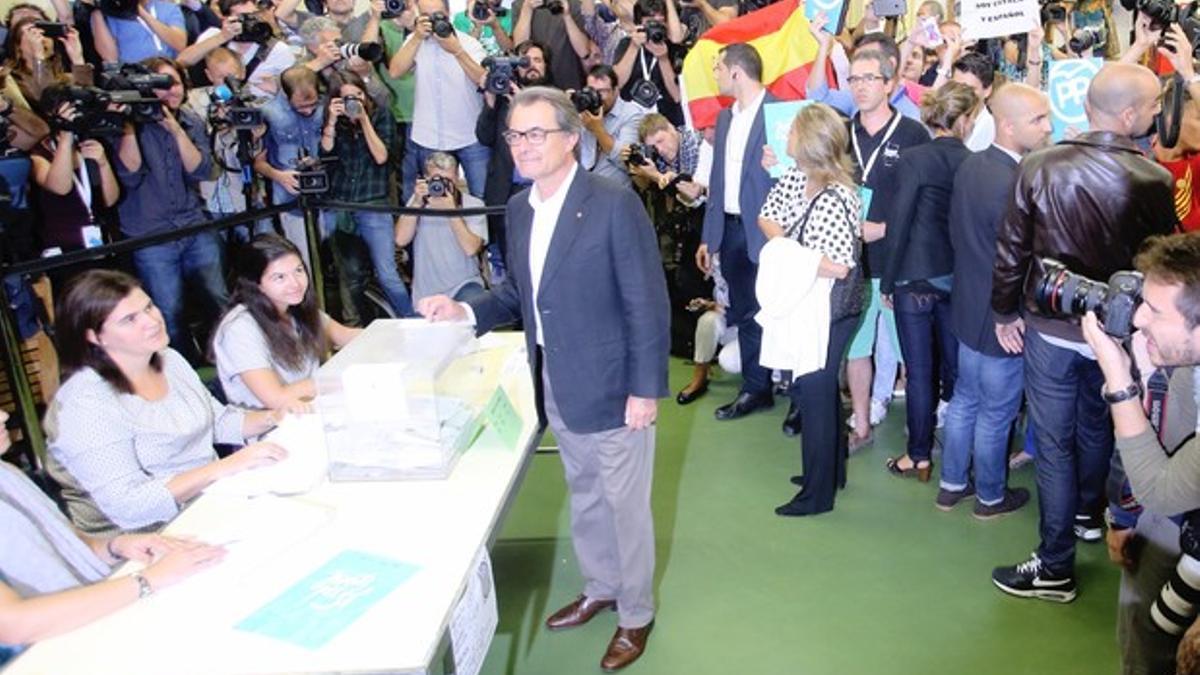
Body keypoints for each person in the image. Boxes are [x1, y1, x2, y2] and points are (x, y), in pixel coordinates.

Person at [418, 86, 668, 672]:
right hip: (557, 377)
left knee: (625, 507)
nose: (522, 146)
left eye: (535, 133)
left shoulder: (612, 203)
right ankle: (600, 585)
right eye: (514, 134)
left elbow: (646, 303)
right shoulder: (520, 208)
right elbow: (519, 291)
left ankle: (635, 614)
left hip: (614, 383)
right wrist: (467, 310)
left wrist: (643, 389)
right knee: (584, 494)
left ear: (570, 139)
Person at [991, 62, 1179, 603]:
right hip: (1115, 337)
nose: (1153, 115)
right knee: (1099, 428)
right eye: (1148, 107)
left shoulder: (1039, 165)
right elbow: (1158, 264)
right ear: (1126, 115)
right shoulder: (1155, 179)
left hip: (1051, 328)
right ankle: (1086, 518)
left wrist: (1005, 313)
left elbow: (1011, 251)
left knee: (1054, 445)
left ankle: (1055, 564)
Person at [44, 270, 291, 536]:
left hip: (211, 500)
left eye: (149, 307)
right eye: (130, 319)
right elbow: (129, 505)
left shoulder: (168, 359)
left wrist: (276, 417)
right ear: (95, 336)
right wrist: (227, 466)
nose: (152, 321)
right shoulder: (85, 405)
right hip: (146, 536)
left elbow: (215, 422)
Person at [0, 411, 227, 667]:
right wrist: (147, 581)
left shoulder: (7, 473)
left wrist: (115, 546)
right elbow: (13, 624)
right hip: (51, 654)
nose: (3, 415)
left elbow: (67, 546)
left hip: (96, 616)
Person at [1078, 232, 1200, 674]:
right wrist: (1125, 517)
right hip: (1180, 517)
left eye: (1155, 310)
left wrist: (1118, 377)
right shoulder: (1185, 362)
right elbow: (1164, 435)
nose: (1138, 319)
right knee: (1144, 628)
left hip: (1175, 501)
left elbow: (1162, 492)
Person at [939, 83, 1050, 518]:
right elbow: (1015, 257)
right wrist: (1010, 312)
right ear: (1007, 124)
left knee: (966, 398)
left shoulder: (971, 166)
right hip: (1002, 312)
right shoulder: (1015, 182)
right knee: (997, 411)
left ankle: (951, 484)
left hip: (968, 303)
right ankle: (989, 496)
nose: (1048, 126)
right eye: (1038, 119)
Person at [758, 103, 863, 516]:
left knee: (816, 393)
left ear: (808, 141)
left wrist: (787, 251)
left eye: (791, 133)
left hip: (829, 310)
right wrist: (792, 248)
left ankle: (817, 496)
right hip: (809, 303)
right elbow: (767, 217)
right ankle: (829, 471)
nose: (785, 139)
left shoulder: (836, 197)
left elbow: (838, 266)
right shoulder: (795, 177)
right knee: (817, 391)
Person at [879, 81, 978, 482]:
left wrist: (887, 280)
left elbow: (899, 223)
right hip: (956, 278)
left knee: (919, 372)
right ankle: (959, 457)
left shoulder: (914, 158)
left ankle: (917, 456)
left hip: (914, 276)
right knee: (957, 370)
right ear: (966, 120)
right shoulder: (974, 162)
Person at [842, 47, 930, 452]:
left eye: (869, 79)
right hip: (851, 264)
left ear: (891, 84)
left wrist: (884, 229)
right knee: (856, 349)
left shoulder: (913, 135)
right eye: (854, 79)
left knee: (911, 351)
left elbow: (928, 202)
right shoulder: (841, 133)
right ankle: (860, 424)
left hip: (898, 265)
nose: (860, 87)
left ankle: (919, 429)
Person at [114, 57, 229, 366]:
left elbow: (204, 170)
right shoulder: (129, 123)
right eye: (161, 85)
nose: (170, 91)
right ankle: (182, 371)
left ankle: (230, 358)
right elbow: (129, 174)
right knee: (168, 311)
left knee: (219, 299)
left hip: (193, 222)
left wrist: (175, 129)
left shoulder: (189, 120)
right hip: (150, 233)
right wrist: (128, 124)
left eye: (174, 82)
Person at [698, 43, 780, 425]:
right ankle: (755, 388)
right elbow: (717, 180)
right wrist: (708, 237)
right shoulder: (725, 119)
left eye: (718, 68)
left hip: (770, 231)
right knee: (746, 312)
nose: (715, 75)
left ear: (736, 72)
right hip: (730, 230)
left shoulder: (780, 113)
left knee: (781, 313)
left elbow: (798, 177)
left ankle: (797, 398)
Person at [214, 234, 360, 411]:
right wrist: (336, 380)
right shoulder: (240, 329)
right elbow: (276, 398)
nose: (295, 284)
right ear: (256, 284)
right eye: (280, 277)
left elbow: (344, 335)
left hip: (313, 407)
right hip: (273, 426)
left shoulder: (293, 307)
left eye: (299, 271)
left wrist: (395, 332)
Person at [319, 71, 410, 318]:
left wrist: (364, 121)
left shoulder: (382, 116)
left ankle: (410, 320)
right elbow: (325, 155)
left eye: (358, 94)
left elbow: (382, 157)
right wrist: (330, 122)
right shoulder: (331, 119)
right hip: (342, 204)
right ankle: (364, 323)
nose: (354, 101)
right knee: (351, 275)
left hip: (374, 203)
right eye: (347, 97)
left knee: (387, 272)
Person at [388, 0, 489, 200]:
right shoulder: (414, 41)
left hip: (469, 133)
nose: (432, 21)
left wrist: (457, 51)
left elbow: (483, 80)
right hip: (430, 136)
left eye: (437, 15)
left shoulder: (468, 43)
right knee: (433, 199)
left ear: (448, 12)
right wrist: (416, 37)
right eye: (426, 15)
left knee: (481, 198)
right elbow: (395, 71)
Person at [394, 152, 489, 304]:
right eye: (437, 179)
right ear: (426, 178)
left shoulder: (473, 205)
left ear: (457, 177)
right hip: (426, 293)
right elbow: (400, 239)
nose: (443, 186)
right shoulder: (418, 202)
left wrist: (452, 212)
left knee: (476, 310)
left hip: (464, 285)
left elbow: (471, 249)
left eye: (448, 180)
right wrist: (417, 203)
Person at [256, 65, 326, 269]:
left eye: (312, 104)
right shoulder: (268, 113)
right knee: (302, 261)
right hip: (290, 199)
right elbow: (257, 162)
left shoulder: (326, 106)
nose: (309, 110)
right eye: (301, 107)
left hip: (327, 195)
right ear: (286, 96)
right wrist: (278, 176)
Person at [579, 63, 643, 189]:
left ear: (616, 91)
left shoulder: (631, 114)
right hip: (582, 189)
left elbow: (628, 162)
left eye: (602, 91)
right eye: (591, 91)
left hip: (614, 191)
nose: (595, 97)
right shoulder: (582, 108)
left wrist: (598, 130)